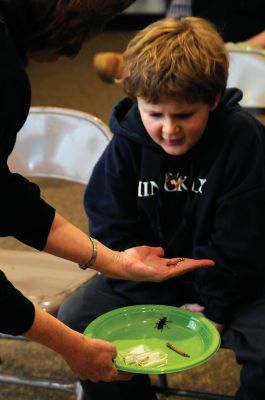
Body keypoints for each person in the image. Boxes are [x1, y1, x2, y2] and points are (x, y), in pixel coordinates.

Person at [0, 0, 215, 383]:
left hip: (223, 288)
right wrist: (71, 345)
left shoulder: (244, 144)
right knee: (83, 317)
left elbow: (3, 198)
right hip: (137, 289)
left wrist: (113, 261)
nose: (79, 50)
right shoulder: (5, 79)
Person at [58, 16, 265, 400]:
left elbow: (243, 241)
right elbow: (111, 229)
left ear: (214, 99)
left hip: (235, 282)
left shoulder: (244, 141)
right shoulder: (125, 145)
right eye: (155, 114)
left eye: (184, 115)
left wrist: (215, 307)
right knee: (79, 323)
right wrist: (142, 282)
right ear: (137, 101)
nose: (169, 129)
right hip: (145, 279)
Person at [93, 0, 265, 82]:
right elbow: (178, 15)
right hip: (203, 38)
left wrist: (239, 50)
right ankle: (138, 60)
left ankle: (140, 67)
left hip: (250, 47)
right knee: (176, 46)